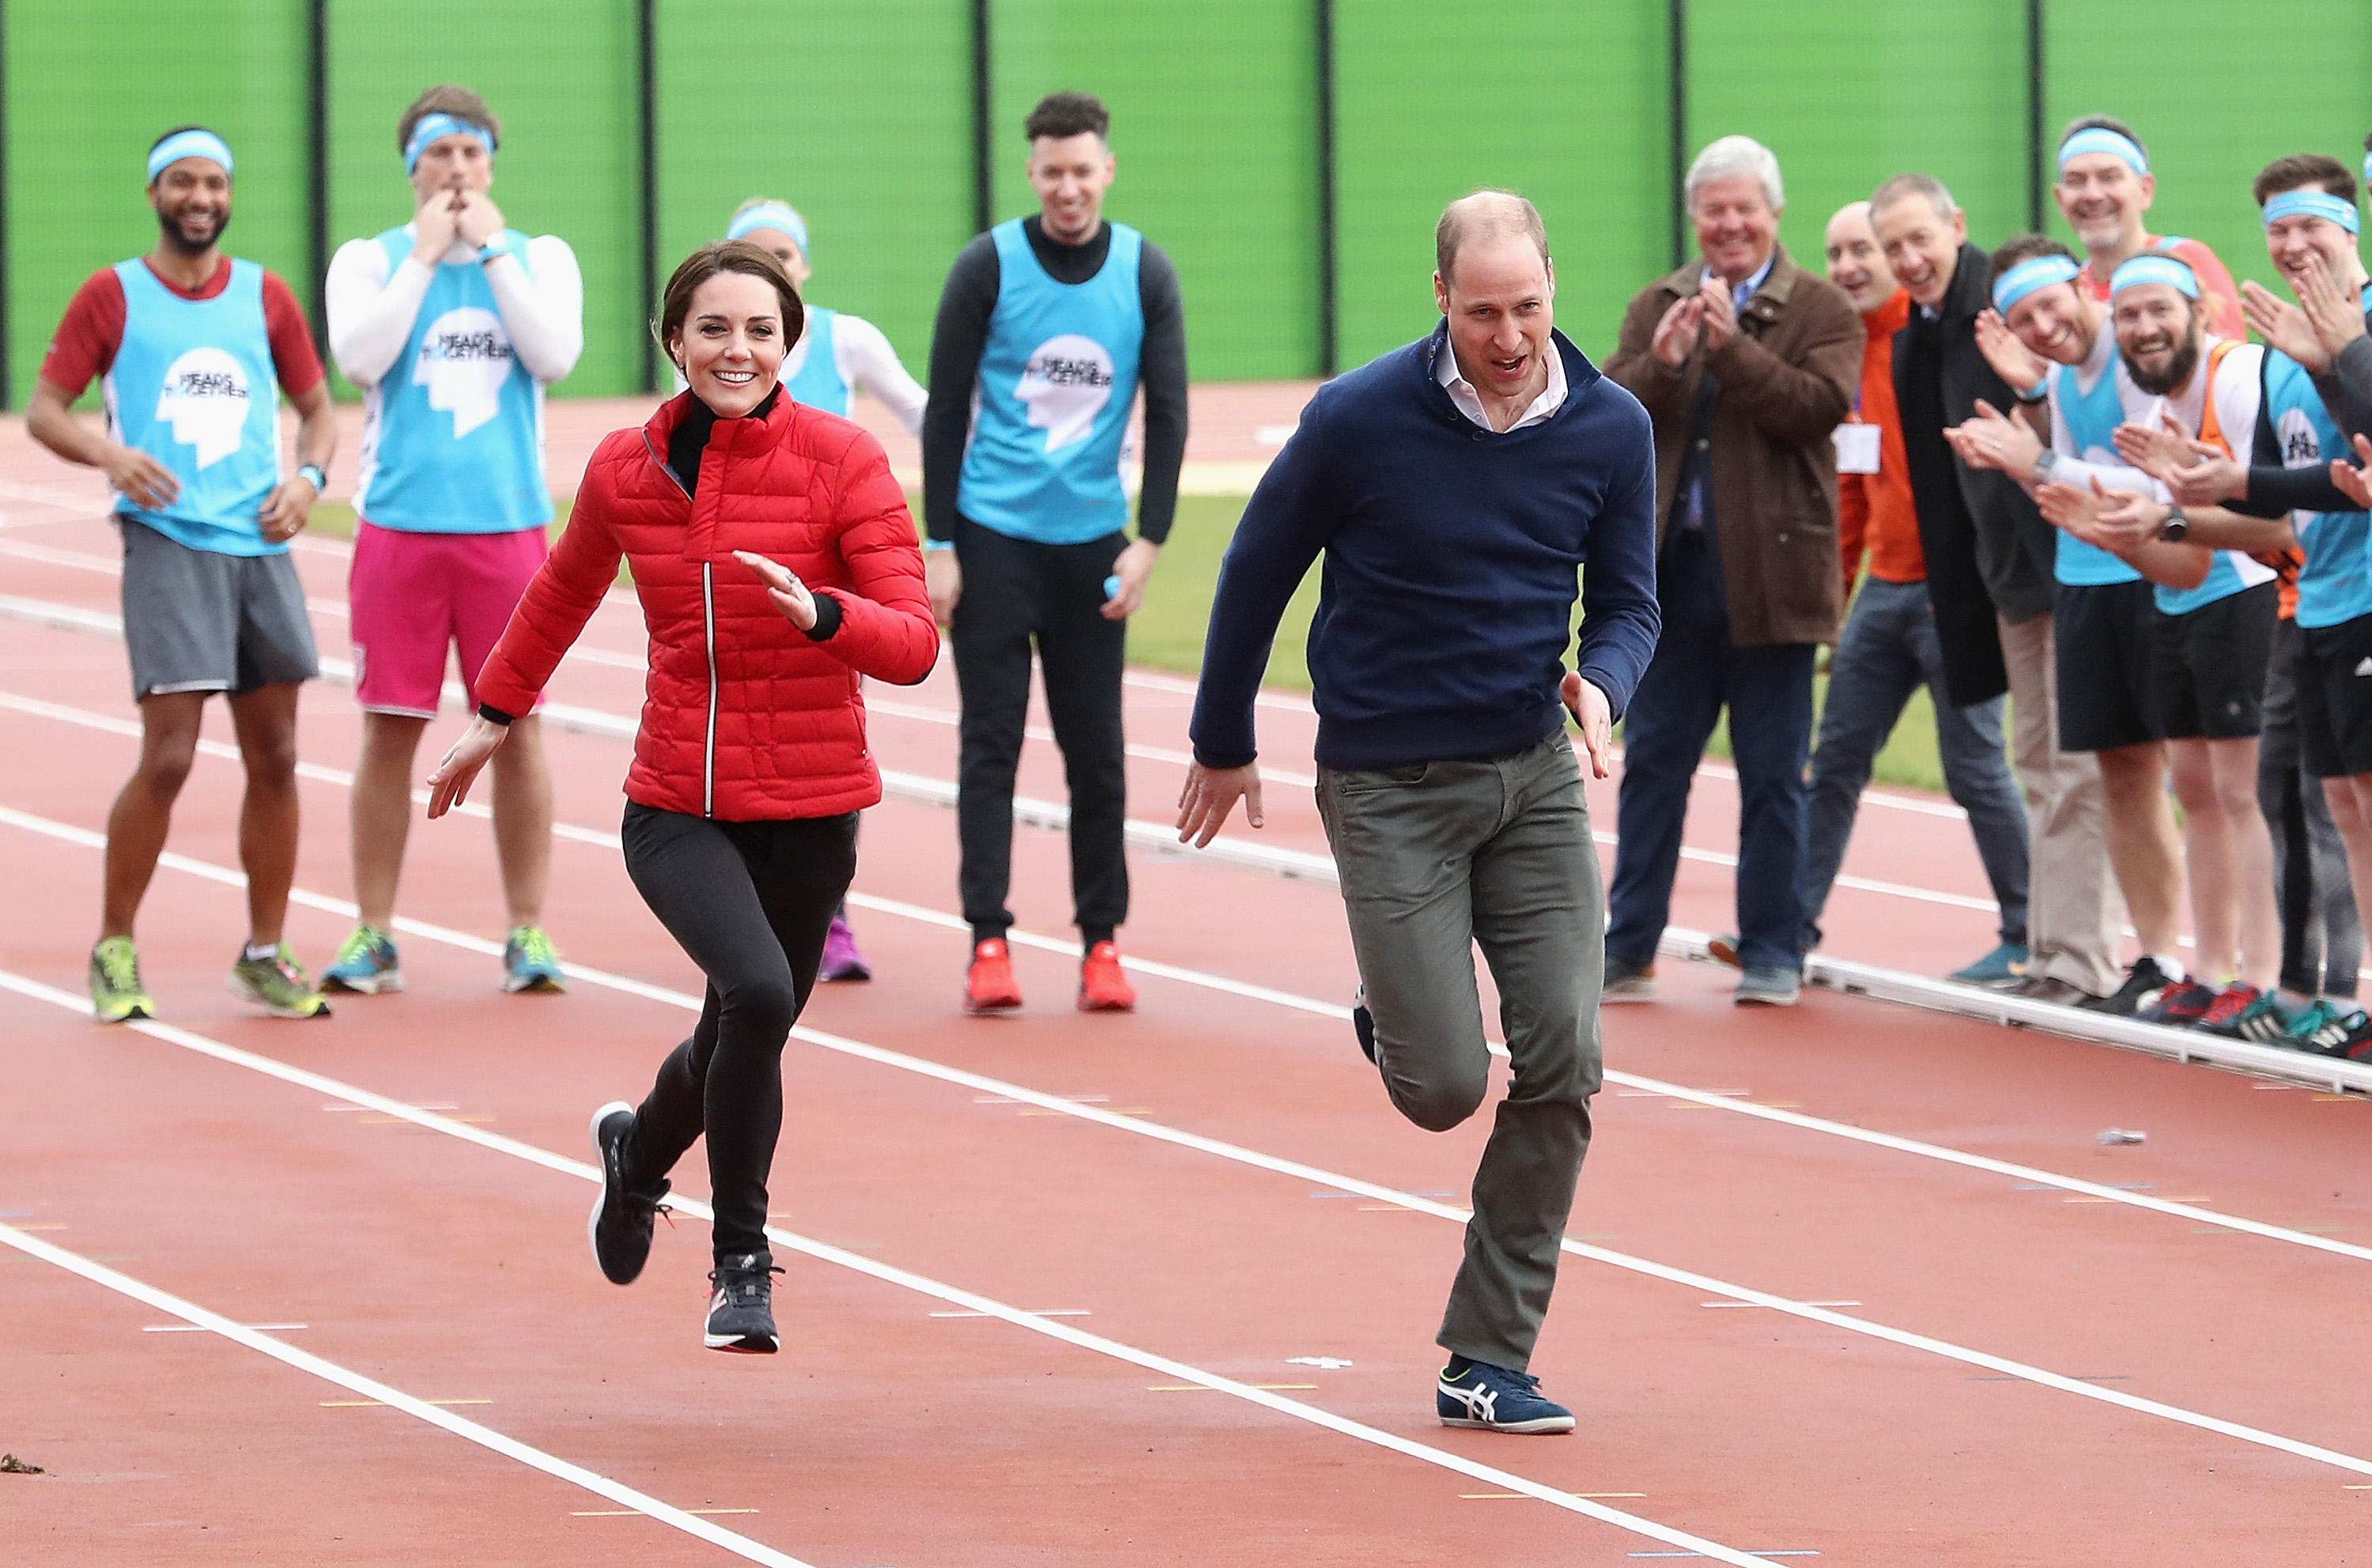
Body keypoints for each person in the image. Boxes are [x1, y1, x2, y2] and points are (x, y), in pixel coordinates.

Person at [1178, 191, 1658, 1434]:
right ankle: (1403, 1016)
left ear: (1558, 284)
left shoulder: (1611, 429)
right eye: (1485, 310)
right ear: (1441, 296)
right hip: (1388, 782)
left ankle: (1486, 1355)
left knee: (1565, 1056)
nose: (1510, 336)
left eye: (1531, 307)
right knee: (1443, 1085)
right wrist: (1223, 739)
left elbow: (1630, 604)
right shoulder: (1358, 419)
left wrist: (1601, 688)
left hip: (1533, 773)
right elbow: (1255, 568)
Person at [425, 241, 938, 1350]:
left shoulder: (845, 460)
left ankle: (637, 1154)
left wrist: (823, 615)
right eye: (713, 328)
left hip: (811, 803)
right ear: (675, 342)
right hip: (678, 800)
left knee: (740, 1026)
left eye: (760, 329)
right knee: (755, 990)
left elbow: (914, 642)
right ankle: (740, 1260)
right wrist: (492, 715)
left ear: (789, 344)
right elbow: (560, 590)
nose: (737, 348)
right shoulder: (626, 467)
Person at [28, 127, 337, 1023]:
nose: (200, 197)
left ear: (229, 195)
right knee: (168, 757)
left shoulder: (264, 296)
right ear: (155, 191)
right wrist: (110, 456)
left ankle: (264, 952)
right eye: (182, 182)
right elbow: (47, 411)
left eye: (214, 183)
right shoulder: (112, 294)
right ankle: (115, 946)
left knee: (276, 754)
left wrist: (308, 479)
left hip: (260, 545)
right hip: (169, 543)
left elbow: (318, 412)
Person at [1960, 251, 2283, 1022]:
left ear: (2083, 290)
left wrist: (2033, 459)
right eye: (2024, 318)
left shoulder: (2161, 363)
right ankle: (2173, 959)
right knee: (2137, 777)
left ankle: (2259, 971)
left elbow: (2151, 483)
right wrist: (2034, 411)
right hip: (2100, 572)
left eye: (2052, 306)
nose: (2044, 327)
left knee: (2227, 786)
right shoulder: (2060, 378)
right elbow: (2080, 475)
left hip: (2182, 572)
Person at [922, 90, 1187, 1016]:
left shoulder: (1145, 272)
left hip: (1092, 549)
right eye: (1053, 172)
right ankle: (987, 938)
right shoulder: (985, 268)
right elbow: (946, 411)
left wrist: (1149, 539)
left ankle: (1101, 944)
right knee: (989, 745)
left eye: (1084, 170)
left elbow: (1170, 407)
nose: (1069, 187)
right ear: (1031, 173)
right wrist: (942, 544)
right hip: (994, 541)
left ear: (1106, 170)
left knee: (1097, 755)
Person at [320, 85, 583, 997]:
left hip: (508, 532)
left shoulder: (540, 257)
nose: (459, 171)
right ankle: (374, 931)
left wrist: (496, 254)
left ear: (492, 166)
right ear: (412, 168)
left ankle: (527, 931)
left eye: (473, 154)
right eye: (441, 154)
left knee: (517, 730)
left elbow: (555, 356)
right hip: (399, 530)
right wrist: (426, 262)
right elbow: (361, 358)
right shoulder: (370, 261)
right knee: (389, 729)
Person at [1600, 135, 1859, 1007]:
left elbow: (1817, 409)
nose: (1730, 224)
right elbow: (1609, 411)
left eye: (1745, 208)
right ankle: (1628, 944)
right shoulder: (1657, 303)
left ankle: (1774, 951)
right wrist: (1667, 361)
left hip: (1775, 582)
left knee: (1774, 776)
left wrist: (1733, 350)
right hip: (1668, 582)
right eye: (1715, 210)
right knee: (1655, 767)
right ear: (1694, 218)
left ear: (1775, 213)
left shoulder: (1820, 307)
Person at [1873, 175, 2124, 1006]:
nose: (1908, 260)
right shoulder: (1919, 337)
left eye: (1921, 239)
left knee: (2080, 767)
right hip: (2003, 579)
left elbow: (2078, 419)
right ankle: (2051, 953)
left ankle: (2089, 960)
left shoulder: (2010, 310)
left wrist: (2025, 388)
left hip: (2078, 564)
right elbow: (1947, 490)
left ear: (1957, 225)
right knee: (2038, 764)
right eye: (1892, 247)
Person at [1801, 200, 2031, 984]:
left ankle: (2027, 929)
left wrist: (1964, 588)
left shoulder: (1936, 332)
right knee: (1833, 760)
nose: (1851, 266)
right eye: (1837, 253)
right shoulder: (1853, 351)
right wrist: (1836, 602)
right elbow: (1856, 490)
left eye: (1866, 248)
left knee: (1974, 765)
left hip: (1949, 591)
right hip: (1882, 595)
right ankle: (1787, 929)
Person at [724, 198, 930, 983]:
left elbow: (923, 414)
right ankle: (743, 917)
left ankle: (828, 920)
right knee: (743, 744)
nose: (770, 264)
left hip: (824, 588)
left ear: (804, 268)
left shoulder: (845, 339)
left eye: (783, 253)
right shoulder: (720, 342)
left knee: (825, 752)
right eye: (751, 252)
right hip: (743, 575)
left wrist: (938, 526)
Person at [2053, 116, 2245, 340]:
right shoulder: (2073, 291)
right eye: (2076, 181)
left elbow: (2227, 363)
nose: (2093, 195)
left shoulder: (2185, 260)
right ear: (2059, 199)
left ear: (2145, 190)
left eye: (2109, 178)